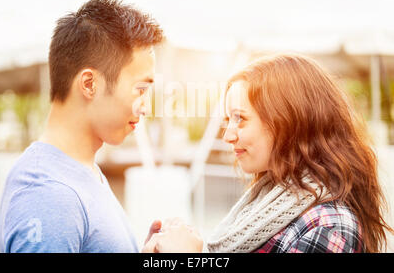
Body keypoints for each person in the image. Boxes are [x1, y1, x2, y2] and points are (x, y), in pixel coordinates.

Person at [143, 53, 393, 253]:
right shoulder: (268, 201)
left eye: (240, 118)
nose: (227, 135)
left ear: (289, 122)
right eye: (228, 119)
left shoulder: (329, 225)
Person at [0, 0, 164, 252]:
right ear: (89, 84)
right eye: (140, 89)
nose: (145, 106)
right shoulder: (48, 194)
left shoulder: (79, 171)